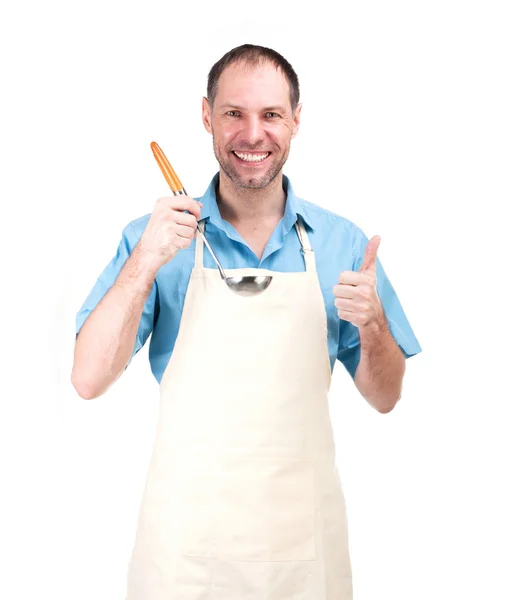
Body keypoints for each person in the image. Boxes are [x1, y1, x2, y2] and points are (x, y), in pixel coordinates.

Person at [72, 44, 422, 600]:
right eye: (234, 113)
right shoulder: (157, 238)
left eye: (271, 115)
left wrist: (375, 324)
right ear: (207, 116)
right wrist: (144, 262)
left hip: (304, 558)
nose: (252, 134)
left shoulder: (343, 244)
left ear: (296, 121)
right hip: (181, 560)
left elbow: (386, 397)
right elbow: (87, 379)